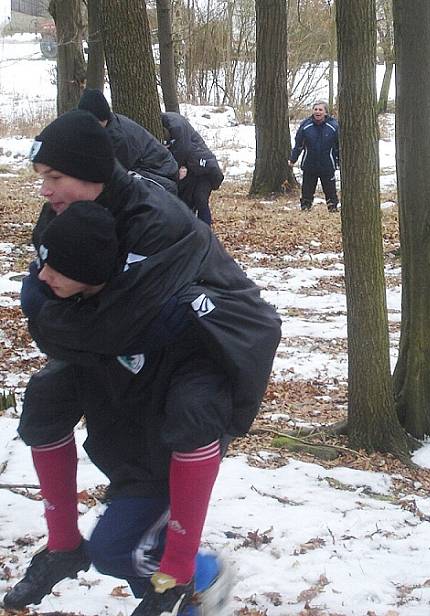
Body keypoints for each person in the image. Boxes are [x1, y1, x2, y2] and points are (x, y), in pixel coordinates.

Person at [4, 110, 282, 616]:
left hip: (212, 338)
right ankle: (65, 546)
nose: (45, 190)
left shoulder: (156, 216)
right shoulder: (64, 214)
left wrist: (58, 319)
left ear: (89, 173)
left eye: (54, 177)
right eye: (42, 179)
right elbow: (38, 295)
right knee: (47, 397)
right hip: (139, 345)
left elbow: (117, 324)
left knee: (191, 415)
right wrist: (58, 316)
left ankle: (183, 572)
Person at [78, 88, 179, 194]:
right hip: (150, 169)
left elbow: (116, 173)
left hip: (161, 173)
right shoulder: (111, 123)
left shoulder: (117, 137)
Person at [161, 111, 225, 226]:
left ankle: (205, 233)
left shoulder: (175, 124)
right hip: (192, 171)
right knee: (186, 202)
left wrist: (175, 169)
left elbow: (182, 149)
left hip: (204, 172)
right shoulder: (172, 125)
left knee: (200, 200)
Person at [289, 101, 340, 212]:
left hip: (327, 165)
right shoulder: (305, 126)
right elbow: (299, 145)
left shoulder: (334, 126)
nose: (317, 112)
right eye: (315, 109)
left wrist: (340, 162)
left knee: (330, 191)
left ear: (325, 113)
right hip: (309, 165)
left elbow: (339, 147)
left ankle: (333, 209)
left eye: (320, 110)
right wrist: (293, 159)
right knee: (307, 191)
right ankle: (305, 208)